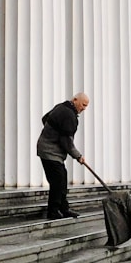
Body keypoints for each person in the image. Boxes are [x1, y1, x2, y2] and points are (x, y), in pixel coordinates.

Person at [37, 92, 89, 220]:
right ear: (75, 100)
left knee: (62, 179)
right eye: (83, 105)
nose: (83, 108)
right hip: (49, 151)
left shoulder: (60, 107)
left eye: (86, 106)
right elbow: (67, 142)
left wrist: (52, 131)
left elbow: (45, 119)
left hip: (51, 151)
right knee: (57, 181)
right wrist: (78, 156)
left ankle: (63, 209)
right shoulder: (68, 115)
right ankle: (53, 211)